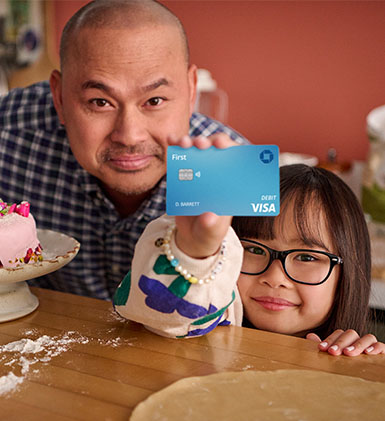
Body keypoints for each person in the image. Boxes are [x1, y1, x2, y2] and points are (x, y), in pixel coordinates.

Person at [0, 0, 247, 300]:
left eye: (154, 101)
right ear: (60, 97)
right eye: (100, 102)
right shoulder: (10, 133)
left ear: (191, 90)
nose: (129, 135)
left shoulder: (236, 179)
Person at [114, 142, 384, 356]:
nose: (276, 279)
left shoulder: (353, 355)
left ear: (346, 273)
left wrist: (362, 365)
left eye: (306, 257)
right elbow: (160, 311)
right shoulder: (216, 311)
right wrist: (194, 252)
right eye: (254, 250)